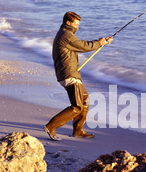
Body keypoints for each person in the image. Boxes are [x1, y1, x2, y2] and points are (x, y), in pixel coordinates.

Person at [44, 11, 113, 141]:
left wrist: (102, 43)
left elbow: (80, 46)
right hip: (68, 74)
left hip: (70, 72)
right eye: (76, 24)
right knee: (77, 106)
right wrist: (99, 43)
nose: (77, 27)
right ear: (68, 23)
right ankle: (51, 126)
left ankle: (78, 130)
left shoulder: (65, 34)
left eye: (78, 24)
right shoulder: (66, 35)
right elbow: (82, 46)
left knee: (85, 100)